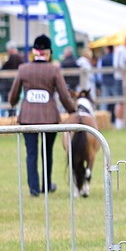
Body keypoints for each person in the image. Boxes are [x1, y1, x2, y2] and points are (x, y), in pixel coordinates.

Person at [8, 35, 74, 196]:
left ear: (33, 52)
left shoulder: (23, 69)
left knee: (31, 153)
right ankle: (46, 185)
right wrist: (72, 110)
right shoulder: (54, 70)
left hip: (27, 117)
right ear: (48, 52)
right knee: (47, 152)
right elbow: (64, 96)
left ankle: (34, 188)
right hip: (49, 117)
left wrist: (13, 102)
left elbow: (13, 96)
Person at [1, 41, 23, 116]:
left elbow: (5, 68)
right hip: (13, 84)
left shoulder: (14, 57)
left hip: (9, 84)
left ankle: (10, 116)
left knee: (8, 101)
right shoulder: (19, 57)